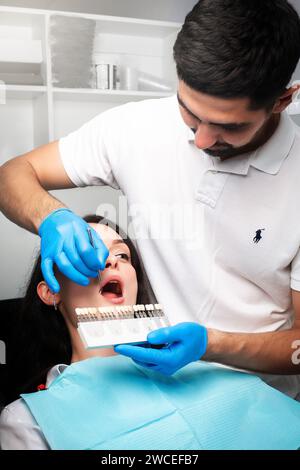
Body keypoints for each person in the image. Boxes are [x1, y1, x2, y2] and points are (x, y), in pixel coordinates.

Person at [0, 0, 300, 398]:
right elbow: (12, 175)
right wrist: (50, 216)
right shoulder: (134, 128)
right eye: (189, 113)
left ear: (283, 100)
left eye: (228, 127)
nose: (201, 140)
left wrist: (211, 345)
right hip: (151, 389)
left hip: (256, 403)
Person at [0, 215, 157, 449]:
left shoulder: (187, 374)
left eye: (122, 255)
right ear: (51, 292)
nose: (111, 261)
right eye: (85, 256)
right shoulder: (28, 420)